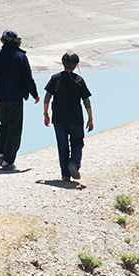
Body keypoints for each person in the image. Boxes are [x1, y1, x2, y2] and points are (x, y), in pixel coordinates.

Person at [0, 29, 38, 170]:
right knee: (15, 128)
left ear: (2, 41)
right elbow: (27, 77)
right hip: (16, 98)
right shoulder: (20, 57)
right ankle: (8, 160)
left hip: (0, 98)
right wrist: (34, 94)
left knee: (4, 125)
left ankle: (0, 154)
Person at [43, 52, 94, 183]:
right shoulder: (79, 80)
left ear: (62, 63)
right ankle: (74, 163)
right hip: (75, 118)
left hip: (58, 118)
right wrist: (90, 118)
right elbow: (86, 101)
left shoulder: (55, 78)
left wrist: (46, 114)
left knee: (62, 144)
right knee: (77, 141)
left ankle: (65, 175)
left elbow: (47, 97)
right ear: (76, 65)